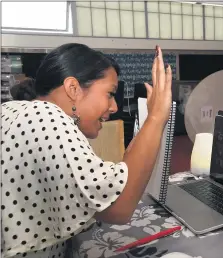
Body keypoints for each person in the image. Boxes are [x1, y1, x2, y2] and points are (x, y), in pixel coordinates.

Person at [1, 43, 172, 258]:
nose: (114, 107)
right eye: (110, 94)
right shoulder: (47, 117)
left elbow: (108, 183)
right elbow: (119, 207)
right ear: (73, 88)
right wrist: (156, 117)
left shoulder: (16, 110)